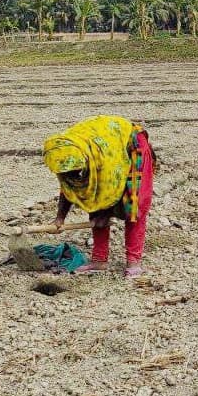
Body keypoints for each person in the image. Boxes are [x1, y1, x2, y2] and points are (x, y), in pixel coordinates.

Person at [44, 116, 156, 278]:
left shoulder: (101, 158)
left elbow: (109, 190)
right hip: (104, 148)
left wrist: (104, 214)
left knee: (134, 204)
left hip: (130, 145)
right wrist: (59, 219)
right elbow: (68, 184)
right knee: (93, 197)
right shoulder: (62, 152)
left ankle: (133, 262)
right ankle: (99, 260)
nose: (72, 175)